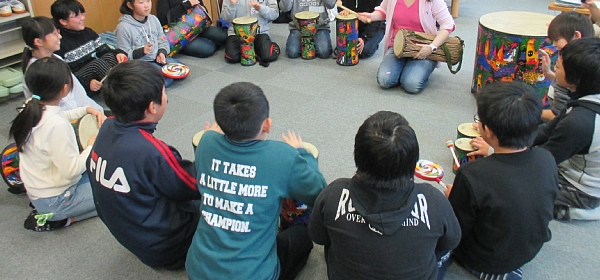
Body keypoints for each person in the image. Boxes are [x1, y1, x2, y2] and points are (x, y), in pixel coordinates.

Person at [186, 82, 327, 280]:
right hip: (254, 275)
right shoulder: (283, 156)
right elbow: (319, 192)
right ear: (267, 125)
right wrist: (303, 153)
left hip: (198, 270)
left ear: (218, 121)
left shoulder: (206, 142)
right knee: (301, 237)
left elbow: (212, 139)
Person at [309, 111, 461, 280]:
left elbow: (318, 237)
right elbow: (451, 241)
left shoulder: (333, 194)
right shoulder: (434, 199)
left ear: (357, 156)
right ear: (413, 163)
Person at [87, 60, 200, 269]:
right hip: (168, 249)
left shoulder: (107, 126)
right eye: (164, 93)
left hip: (132, 236)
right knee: (220, 199)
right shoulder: (152, 152)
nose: (166, 97)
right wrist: (212, 146)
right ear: (152, 107)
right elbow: (195, 185)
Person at [444, 82, 557, 279]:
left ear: (488, 131)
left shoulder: (472, 174)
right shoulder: (546, 159)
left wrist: (452, 198)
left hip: (485, 259)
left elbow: (456, 228)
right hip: (530, 249)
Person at [10, 57, 103, 231]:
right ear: (65, 89)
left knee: (106, 173)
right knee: (120, 192)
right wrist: (91, 145)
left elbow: (61, 115)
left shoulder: (31, 105)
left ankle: (52, 212)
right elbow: (72, 171)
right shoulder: (56, 125)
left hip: (41, 191)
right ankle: (59, 219)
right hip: (57, 199)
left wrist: (85, 110)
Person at [358, 0, 455, 94]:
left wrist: (432, 47)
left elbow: (448, 25)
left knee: (411, 85)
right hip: (398, 46)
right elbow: (384, 10)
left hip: (423, 49)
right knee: (384, 80)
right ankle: (406, 67)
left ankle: (419, 67)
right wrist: (371, 16)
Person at [533, 38, 600, 221]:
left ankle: (578, 211)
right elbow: (548, 131)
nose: (554, 66)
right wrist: (507, 137)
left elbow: (544, 160)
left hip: (583, 191)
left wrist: (498, 150)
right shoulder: (586, 97)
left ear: (575, 79)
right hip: (580, 165)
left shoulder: (579, 122)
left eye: (559, 65)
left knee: (518, 189)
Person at [21, 16, 105, 114]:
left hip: (80, 110)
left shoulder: (57, 58)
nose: (60, 36)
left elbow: (78, 92)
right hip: (66, 116)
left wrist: (95, 110)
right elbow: (58, 107)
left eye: (58, 32)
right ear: (38, 42)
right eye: (54, 34)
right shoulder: (38, 71)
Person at [51, 0, 127, 96]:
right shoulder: (58, 43)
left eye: (82, 13)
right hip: (79, 83)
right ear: (63, 21)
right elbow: (65, 77)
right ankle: (123, 93)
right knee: (97, 64)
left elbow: (105, 51)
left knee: (110, 57)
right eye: (76, 16)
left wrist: (118, 53)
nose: (82, 18)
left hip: (98, 76)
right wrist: (87, 83)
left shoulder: (88, 32)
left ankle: (126, 86)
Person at [116, 0, 181, 88]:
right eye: (141, 2)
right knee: (165, 81)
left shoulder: (153, 19)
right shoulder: (123, 27)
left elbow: (162, 40)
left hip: (155, 58)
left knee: (180, 69)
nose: (146, 5)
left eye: (148, 0)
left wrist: (161, 53)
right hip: (139, 64)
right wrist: (141, 51)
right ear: (130, 5)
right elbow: (123, 56)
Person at [539, 11, 594, 121]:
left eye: (557, 40)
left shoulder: (572, 67)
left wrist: (528, 111)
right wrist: (548, 72)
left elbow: (557, 115)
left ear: (576, 36)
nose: (554, 45)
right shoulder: (584, 59)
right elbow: (563, 84)